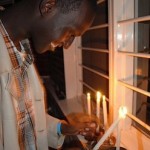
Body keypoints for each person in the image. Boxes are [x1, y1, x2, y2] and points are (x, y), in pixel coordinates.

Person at [0, 0, 97, 149]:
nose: (67, 45)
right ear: (48, 7)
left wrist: (61, 128)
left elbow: (22, 119)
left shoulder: (22, 49)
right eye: (71, 32)